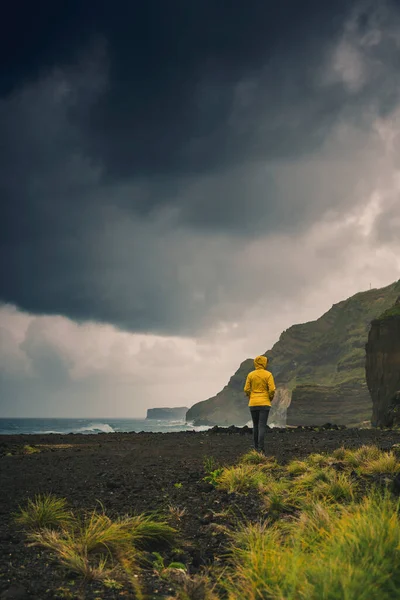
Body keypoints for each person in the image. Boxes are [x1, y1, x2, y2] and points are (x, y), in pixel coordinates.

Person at [244, 355, 276, 453]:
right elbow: (272, 389)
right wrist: (269, 398)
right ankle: (261, 449)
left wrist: (250, 397)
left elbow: (246, 389)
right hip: (264, 403)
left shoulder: (251, 375)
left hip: (253, 403)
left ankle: (255, 448)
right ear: (264, 363)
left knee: (255, 425)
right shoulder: (268, 374)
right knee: (262, 426)